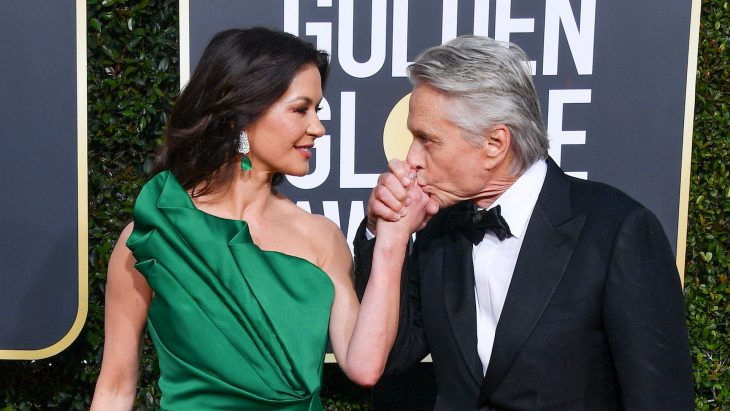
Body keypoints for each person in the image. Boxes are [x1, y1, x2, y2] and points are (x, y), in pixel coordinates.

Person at [91, 27, 428, 410]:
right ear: (240, 115)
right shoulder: (154, 235)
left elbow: (364, 367)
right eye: (301, 109)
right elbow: (116, 387)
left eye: (317, 110)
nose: (317, 127)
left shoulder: (321, 239)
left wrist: (391, 240)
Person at [354, 35, 694, 410]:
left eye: (427, 139)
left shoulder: (615, 232)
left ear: (495, 144)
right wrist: (380, 230)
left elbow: (659, 398)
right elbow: (394, 355)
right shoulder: (439, 231)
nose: (411, 158)